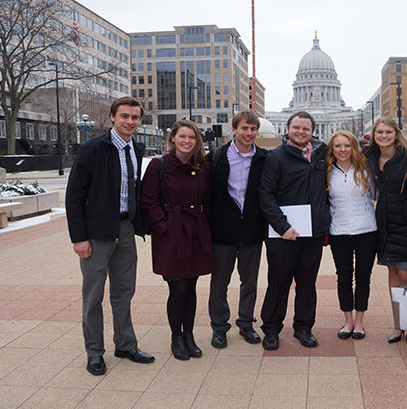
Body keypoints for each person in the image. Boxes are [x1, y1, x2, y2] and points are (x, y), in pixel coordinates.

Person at [66, 96, 155, 375]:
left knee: (124, 293)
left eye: (135, 117)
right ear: (112, 117)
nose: (131, 122)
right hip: (96, 235)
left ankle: (125, 344)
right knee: (93, 297)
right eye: (125, 116)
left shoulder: (135, 148)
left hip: (125, 230)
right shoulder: (93, 149)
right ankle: (94, 352)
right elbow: (74, 195)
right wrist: (79, 237)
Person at [140, 119, 215, 360]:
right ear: (173, 138)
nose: (187, 141)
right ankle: (177, 337)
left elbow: (210, 198)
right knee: (177, 286)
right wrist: (164, 227)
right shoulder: (158, 165)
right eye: (182, 137)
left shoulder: (203, 165)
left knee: (191, 287)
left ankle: (190, 335)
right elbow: (148, 201)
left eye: (191, 138)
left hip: (195, 230)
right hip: (171, 233)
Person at [258, 111, 330, 350]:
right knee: (278, 282)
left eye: (306, 128)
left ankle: (304, 327)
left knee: (307, 283)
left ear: (312, 131)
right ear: (288, 129)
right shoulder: (276, 157)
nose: (301, 132)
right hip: (283, 233)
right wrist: (282, 226)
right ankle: (271, 328)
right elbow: (265, 194)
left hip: (313, 232)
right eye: (296, 127)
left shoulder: (322, 155)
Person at [207, 111, 268, 349]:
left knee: (249, 281)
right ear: (234, 129)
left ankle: (245, 323)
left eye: (253, 129)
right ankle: (219, 327)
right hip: (222, 230)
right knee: (219, 282)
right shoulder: (216, 157)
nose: (249, 133)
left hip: (252, 229)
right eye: (244, 128)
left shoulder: (264, 158)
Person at [365, 117, 407, 344]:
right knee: (393, 274)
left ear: (396, 134)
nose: (384, 136)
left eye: (388, 132)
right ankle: (398, 322)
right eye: (380, 132)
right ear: (374, 135)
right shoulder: (370, 156)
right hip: (385, 221)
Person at [326, 131, 377, 340]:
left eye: (346, 145)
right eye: (337, 146)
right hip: (339, 231)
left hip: (366, 230)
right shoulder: (327, 171)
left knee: (363, 277)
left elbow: (376, 194)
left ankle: (360, 321)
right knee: (343, 277)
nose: (342, 150)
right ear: (332, 149)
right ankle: (348, 320)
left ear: (353, 147)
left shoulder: (365, 169)